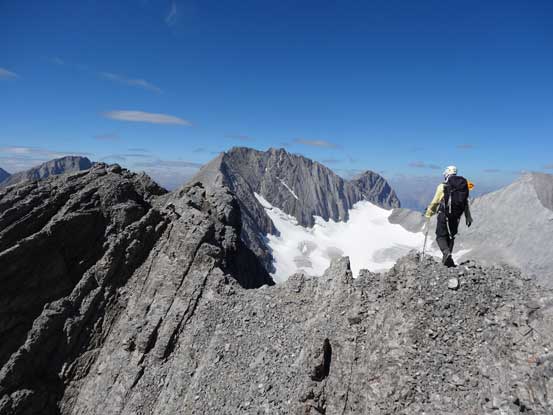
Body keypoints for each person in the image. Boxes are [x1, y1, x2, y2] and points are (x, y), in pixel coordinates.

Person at [425, 165, 473, 267]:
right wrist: (468, 217)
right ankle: (447, 262)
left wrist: (429, 213)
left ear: (446, 174)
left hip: (444, 215)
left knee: (440, 236)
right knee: (451, 237)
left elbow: (435, 202)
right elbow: (465, 203)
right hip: (456, 217)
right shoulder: (463, 186)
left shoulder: (442, 186)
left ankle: (446, 254)